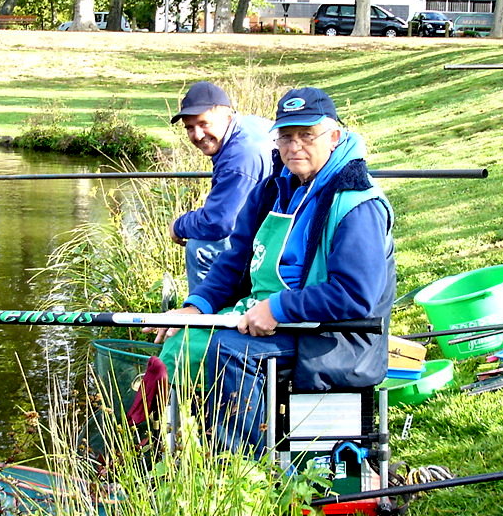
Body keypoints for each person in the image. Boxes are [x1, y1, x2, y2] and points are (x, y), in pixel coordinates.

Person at [162, 87, 395, 457]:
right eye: (286, 136)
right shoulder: (274, 189)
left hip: (335, 337)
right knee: (179, 343)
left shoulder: (356, 202)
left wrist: (277, 309)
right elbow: (236, 259)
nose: (295, 147)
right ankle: (184, 450)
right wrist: (198, 305)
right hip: (277, 317)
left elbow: (354, 295)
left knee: (229, 349)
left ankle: (247, 471)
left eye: (307, 135)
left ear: (334, 137)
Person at [168, 81, 273, 294]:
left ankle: (203, 320)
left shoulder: (240, 156)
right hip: (275, 224)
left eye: (204, 123)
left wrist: (178, 226)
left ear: (226, 115)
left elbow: (219, 222)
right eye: (189, 127)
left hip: (274, 237)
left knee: (200, 248)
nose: (197, 135)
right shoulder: (249, 126)